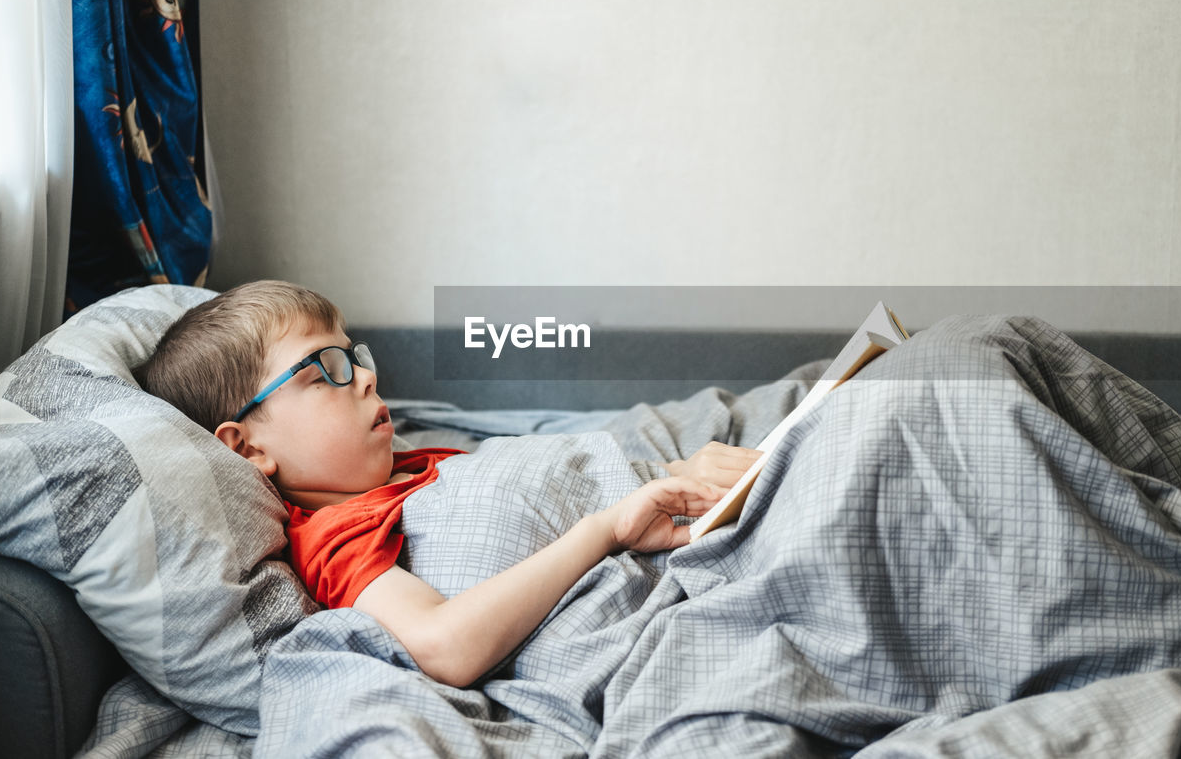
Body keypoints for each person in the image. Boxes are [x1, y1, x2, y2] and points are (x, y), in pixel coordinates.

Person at [136, 279, 764, 688]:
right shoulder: (334, 536)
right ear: (247, 447)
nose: (363, 378)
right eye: (322, 369)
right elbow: (445, 645)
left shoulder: (409, 467)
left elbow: (550, 478)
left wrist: (670, 476)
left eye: (354, 357)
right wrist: (604, 528)